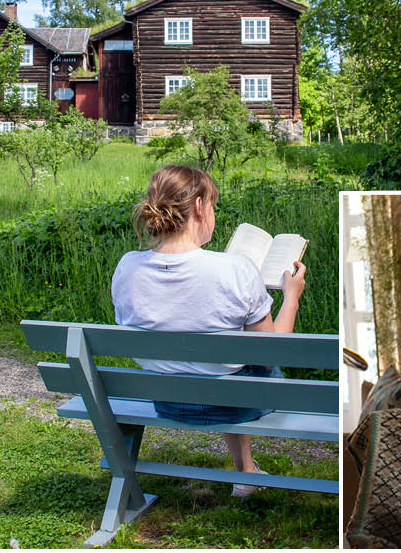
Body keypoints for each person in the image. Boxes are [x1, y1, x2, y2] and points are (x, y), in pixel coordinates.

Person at [111, 165, 306, 496]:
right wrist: (291, 298)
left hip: (168, 399)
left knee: (230, 364)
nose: (212, 213)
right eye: (212, 205)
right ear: (199, 207)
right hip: (231, 402)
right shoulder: (235, 269)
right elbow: (273, 353)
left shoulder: (128, 266)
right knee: (249, 365)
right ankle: (245, 473)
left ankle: (245, 470)